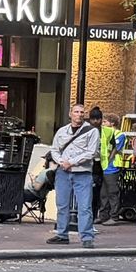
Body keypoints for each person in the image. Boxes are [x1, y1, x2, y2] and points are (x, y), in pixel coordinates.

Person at [47, 103, 101, 247]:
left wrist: (71, 162)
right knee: (62, 205)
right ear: (70, 114)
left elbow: (92, 152)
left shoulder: (92, 131)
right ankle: (62, 234)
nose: (79, 114)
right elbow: (54, 149)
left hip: (82, 172)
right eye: (76, 112)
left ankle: (86, 237)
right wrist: (61, 162)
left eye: (82, 112)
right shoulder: (62, 131)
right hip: (63, 172)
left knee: (84, 206)